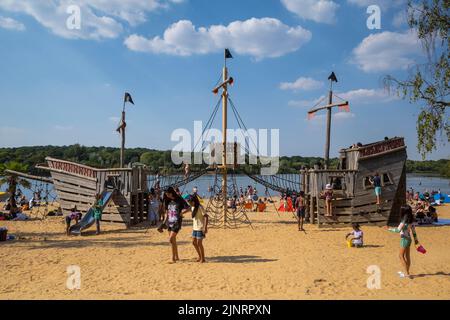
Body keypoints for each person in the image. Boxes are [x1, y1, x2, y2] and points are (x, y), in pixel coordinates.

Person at [158, 187, 190, 263]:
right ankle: (177, 257)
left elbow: (189, 208)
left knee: (171, 239)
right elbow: (167, 214)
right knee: (173, 241)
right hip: (169, 222)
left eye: (167, 194)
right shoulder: (167, 200)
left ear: (171, 193)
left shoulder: (179, 199)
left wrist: (182, 213)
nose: (166, 195)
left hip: (177, 222)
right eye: (165, 194)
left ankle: (172, 258)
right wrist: (163, 224)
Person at [387, 205, 419, 279]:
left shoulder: (403, 221)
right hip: (409, 239)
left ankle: (407, 273)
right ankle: (407, 271)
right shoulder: (411, 220)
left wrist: (389, 229)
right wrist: (416, 240)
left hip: (404, 239)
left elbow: (398, 230)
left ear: (403, 211)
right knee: (407, 256)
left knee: (401, 256)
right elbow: (413, 231)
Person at [187, 194, 209, 263]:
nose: (190, 204)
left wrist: (205, 227)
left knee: (199, 243)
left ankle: (203, 258)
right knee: (193, 242)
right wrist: (182, 213)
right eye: (189, 202)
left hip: (200, 227)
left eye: (191, 202)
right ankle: (200, 256)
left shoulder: (200, 207)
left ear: (194, 201)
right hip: (194, 228)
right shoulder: (192, 207)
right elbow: (189, 209)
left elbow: (206, 216)